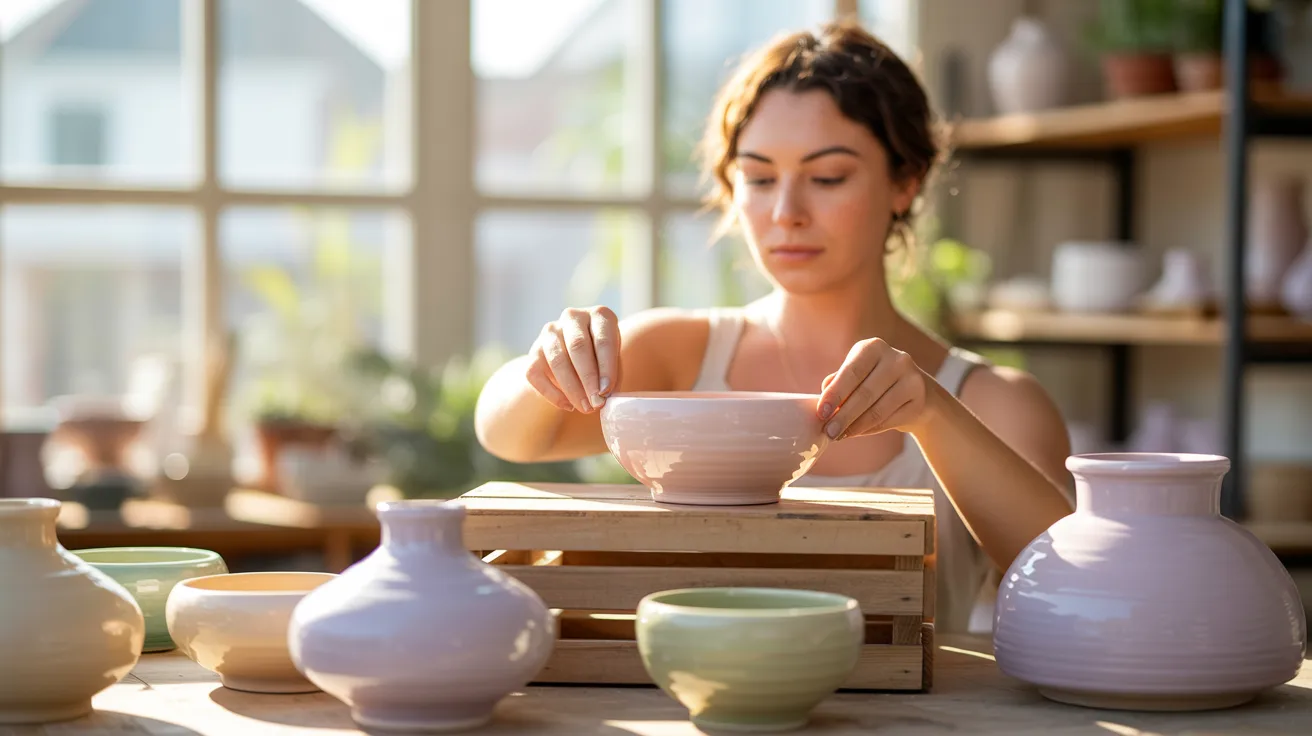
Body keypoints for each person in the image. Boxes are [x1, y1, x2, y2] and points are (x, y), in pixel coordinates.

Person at [474, 19, 1074, 634]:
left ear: (905, 182)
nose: (786, 213)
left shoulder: (993, 402)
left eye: (827, 177)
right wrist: (545, 363)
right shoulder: (681, 354)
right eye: (759, 179)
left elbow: (1074, 583)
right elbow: (508, 434)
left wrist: (932, 416)